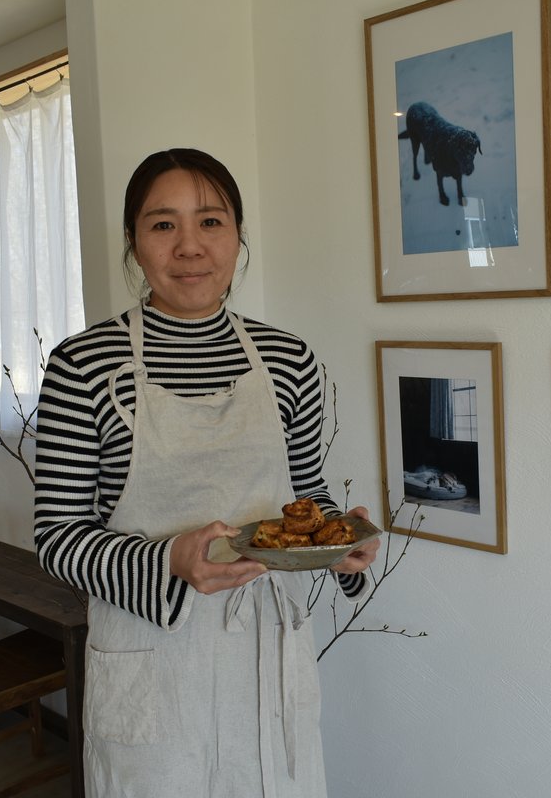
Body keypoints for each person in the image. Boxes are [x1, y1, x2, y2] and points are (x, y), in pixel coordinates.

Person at [33, 147, 379, 797]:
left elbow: (307, 496)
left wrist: (341, 544)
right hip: (150, 655)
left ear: (238, 237)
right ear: (134, 241)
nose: (189, 246)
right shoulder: (84, 366)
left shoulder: (288, 359)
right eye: (163, 224)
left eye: (211, 222)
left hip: (268, 654)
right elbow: (57, 537)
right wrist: (169, 560)